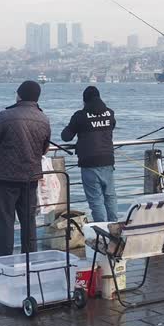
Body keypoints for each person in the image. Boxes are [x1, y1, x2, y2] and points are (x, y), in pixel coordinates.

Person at [0, 80, 51, 257]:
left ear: (19, 95)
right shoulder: (44, 118)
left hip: (7, 177)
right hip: (31, 177)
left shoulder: (6, 115)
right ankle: (30, 259)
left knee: (6, 221)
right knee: (29, 221)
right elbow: (44, 149)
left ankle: (3, 261)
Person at [60, 86, 117, 224]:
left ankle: (102, 228)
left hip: (89, 162)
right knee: (110, 196)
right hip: (108, 160)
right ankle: (114, 225)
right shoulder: (109, 113)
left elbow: (66, 136)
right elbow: (112, 126)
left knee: (95, 199)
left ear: (84, 100)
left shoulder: (80, 116)